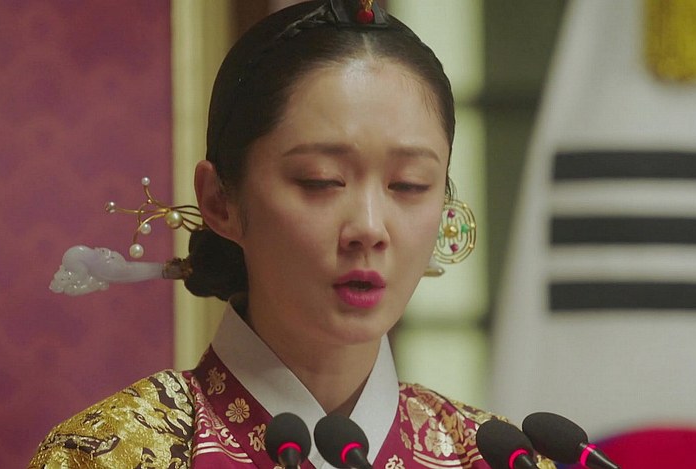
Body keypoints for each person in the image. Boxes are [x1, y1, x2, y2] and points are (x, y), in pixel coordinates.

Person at [29, 1, 554, 468]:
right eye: (320, 181)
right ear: (220, 201)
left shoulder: (494, 457)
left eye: (409, 184)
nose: (369, 228)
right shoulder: (112, 454)